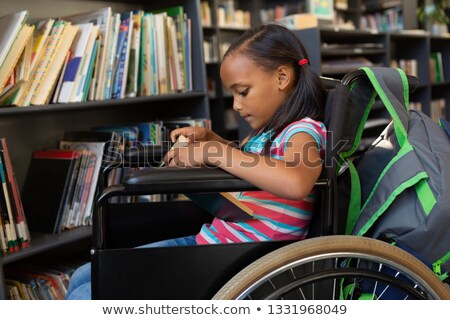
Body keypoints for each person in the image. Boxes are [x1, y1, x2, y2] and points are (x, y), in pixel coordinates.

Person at [66, 23, 327, 299]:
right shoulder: (266, 132)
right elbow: (255, 164)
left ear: (282, 77)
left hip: (246, 262)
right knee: (83, 276)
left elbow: (296, 181)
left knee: (86, 296)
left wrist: (214, 152)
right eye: (232, 95)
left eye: (243, 91)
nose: (236, 105)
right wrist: (212, 139)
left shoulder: (302, 131)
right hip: (216, 244)